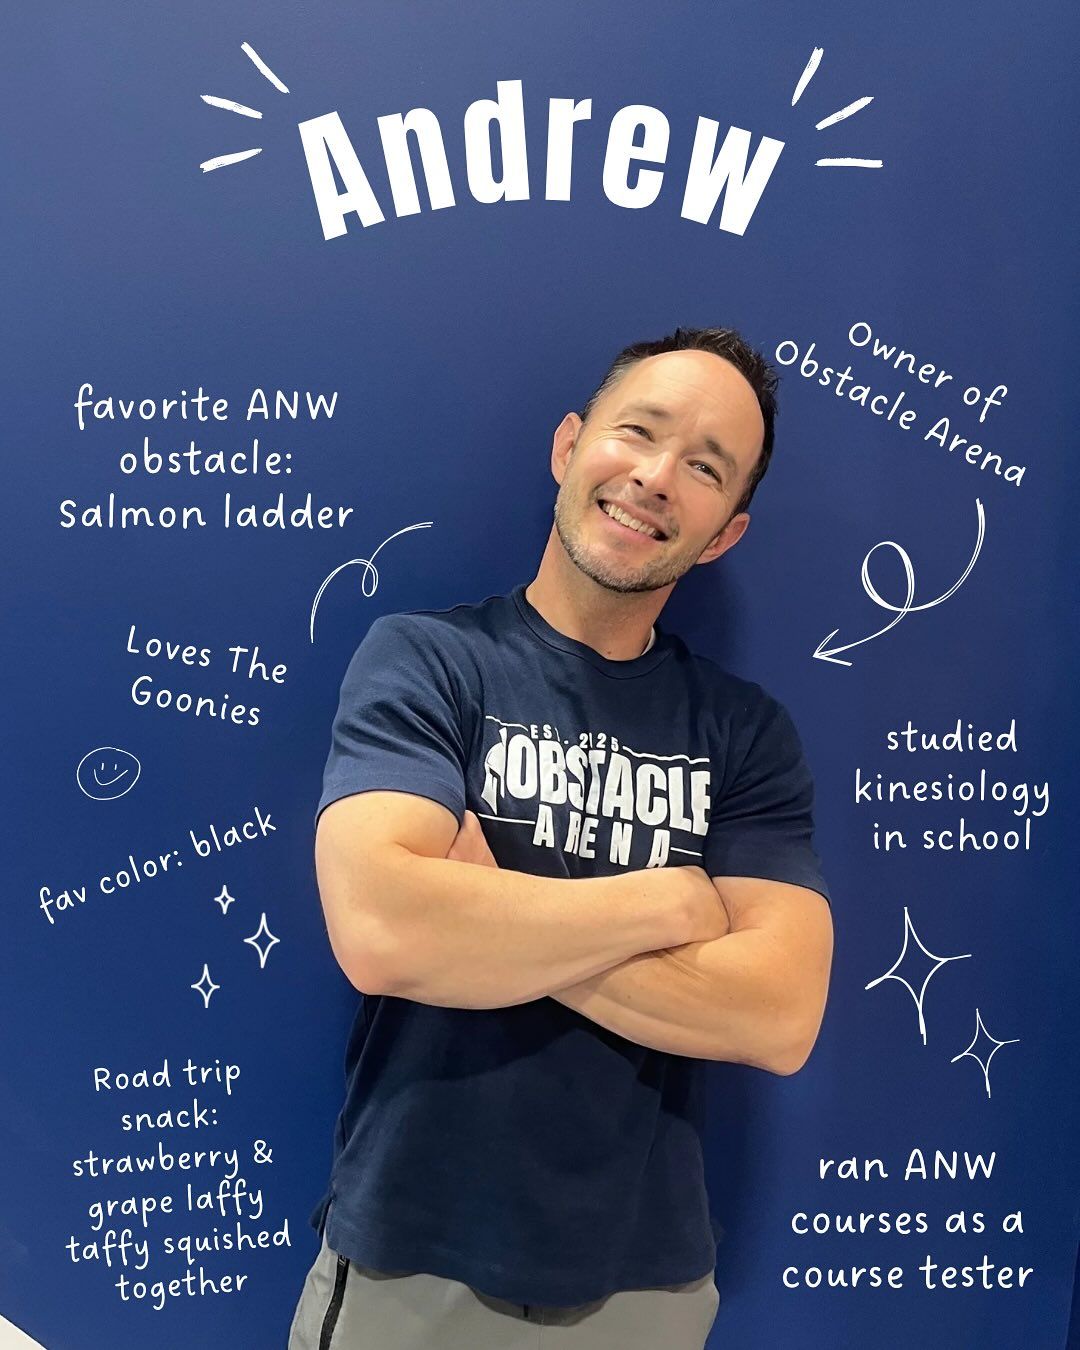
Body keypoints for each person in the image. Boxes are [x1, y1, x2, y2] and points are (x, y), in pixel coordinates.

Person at [288, 326, 834, 1349]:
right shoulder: (428, 662)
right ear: (570, 447)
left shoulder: (744, 732)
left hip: (647, 1290)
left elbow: (779, 1016)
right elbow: (383, 931)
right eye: (640, 432)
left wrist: (491, 918)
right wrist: (667, 901)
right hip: (411, 1254)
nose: (659, 477)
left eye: (707, 468)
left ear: (725, 533)